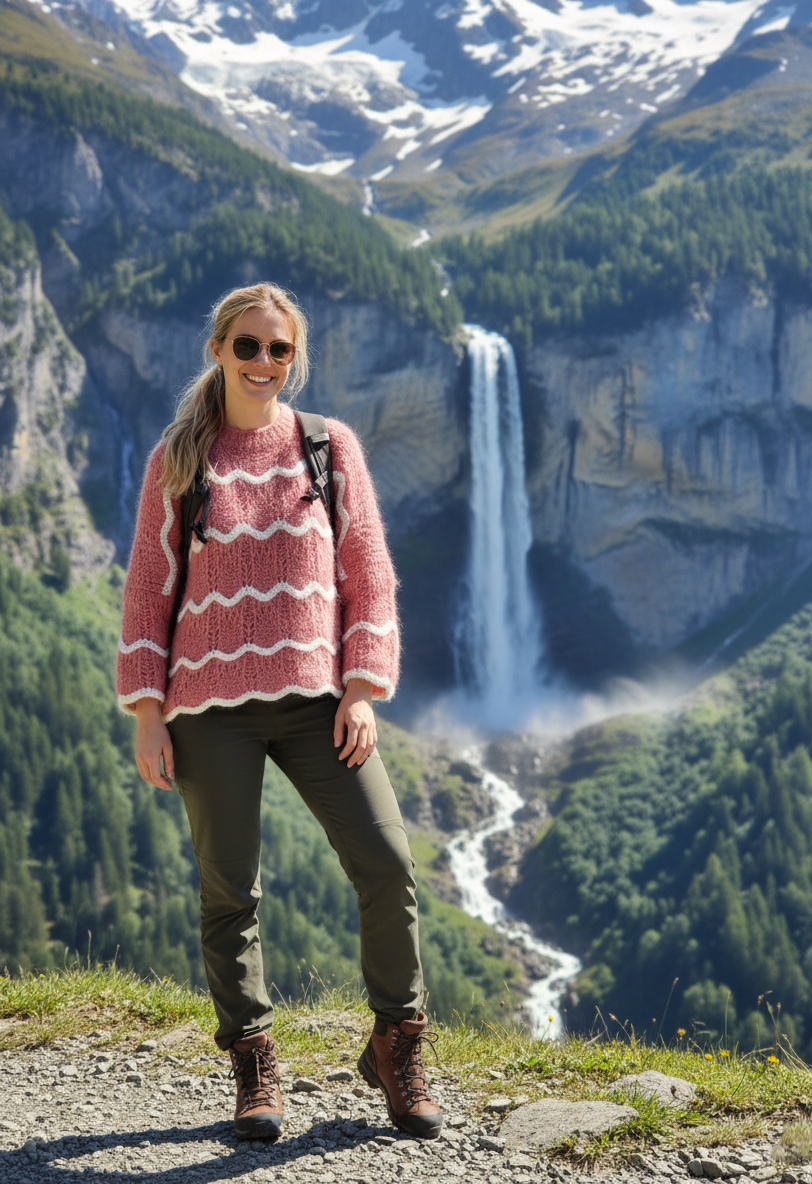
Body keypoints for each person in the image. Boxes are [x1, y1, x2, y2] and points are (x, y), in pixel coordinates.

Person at [116, 282, 442, 1142]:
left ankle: (397, 1042)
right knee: (230, 891)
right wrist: (148, 714)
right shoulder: (178, 461)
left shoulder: (329, 449)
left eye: (281, 349)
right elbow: (149, 597)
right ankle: (253, 1061)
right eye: (249, 346)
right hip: (206, 710)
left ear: (297, 359)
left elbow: (367, 572)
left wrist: (364, 688)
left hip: (317, 703)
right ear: (219, 349)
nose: (265, 362)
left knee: (386, 863)